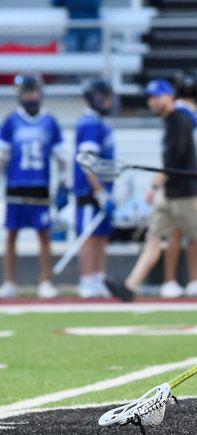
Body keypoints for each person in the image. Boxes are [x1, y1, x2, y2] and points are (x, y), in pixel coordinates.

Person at [103, 79, 197, 302]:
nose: (152, 102)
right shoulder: (174, 120)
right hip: (172, 192)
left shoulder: (179, 120)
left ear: (169, 97)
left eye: (156, 97)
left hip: (184, 193)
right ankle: (130, 287)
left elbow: (175, 160)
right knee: (154, 238)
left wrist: (156, 184)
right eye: (149, 98)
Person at [0, 74, 69, 299]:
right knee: (11, 235)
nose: (30, 96)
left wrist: (63, 184)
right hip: (16, 186)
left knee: (44, 235)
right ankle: (10, 282)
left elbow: (62, 156)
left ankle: (45, 281)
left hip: (39, 185)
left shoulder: (50, 121)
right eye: (26, 91)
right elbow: (3, 156)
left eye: (33, 91)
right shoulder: (11, 121)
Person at [73, 79, 117, 298]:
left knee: (101, 235)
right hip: (90, 191)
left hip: (104, 190)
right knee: (90, 236)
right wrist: (98, 191)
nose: (107, 102)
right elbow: (87, 162)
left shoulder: (100, 123)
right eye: (104, 97)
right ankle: (87, 278)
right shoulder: (89, 124)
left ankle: (98, 276)